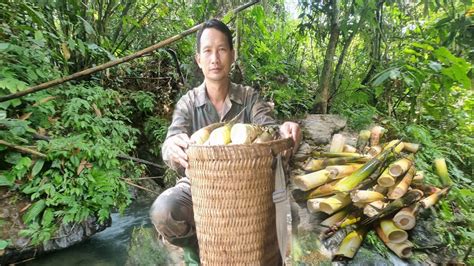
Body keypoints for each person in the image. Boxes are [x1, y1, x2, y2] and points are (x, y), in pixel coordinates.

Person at [149, 19, 302, 264]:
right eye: (207, 51)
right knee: (163, 211)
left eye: (221, 50)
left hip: (249, 186)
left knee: (286, 217)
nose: (215, 58)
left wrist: (287, 130)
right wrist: (172, 148)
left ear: (232, 55)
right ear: (198, 59)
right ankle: (196, 250)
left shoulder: (250, 98)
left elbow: (271, 131)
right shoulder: (187, 103)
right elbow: (171, 141)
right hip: (200, 187)